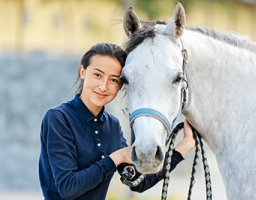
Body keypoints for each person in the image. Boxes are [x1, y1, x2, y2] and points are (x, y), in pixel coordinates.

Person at [38, 42, 195, 200]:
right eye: (98, 75)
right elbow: (68, 188)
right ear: (82, 72)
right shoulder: (58, 119)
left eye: (113, 80)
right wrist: (115, 158)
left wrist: (185, 145)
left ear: (120, 86)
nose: (104, 86)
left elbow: (138, 182)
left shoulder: (112, 125)